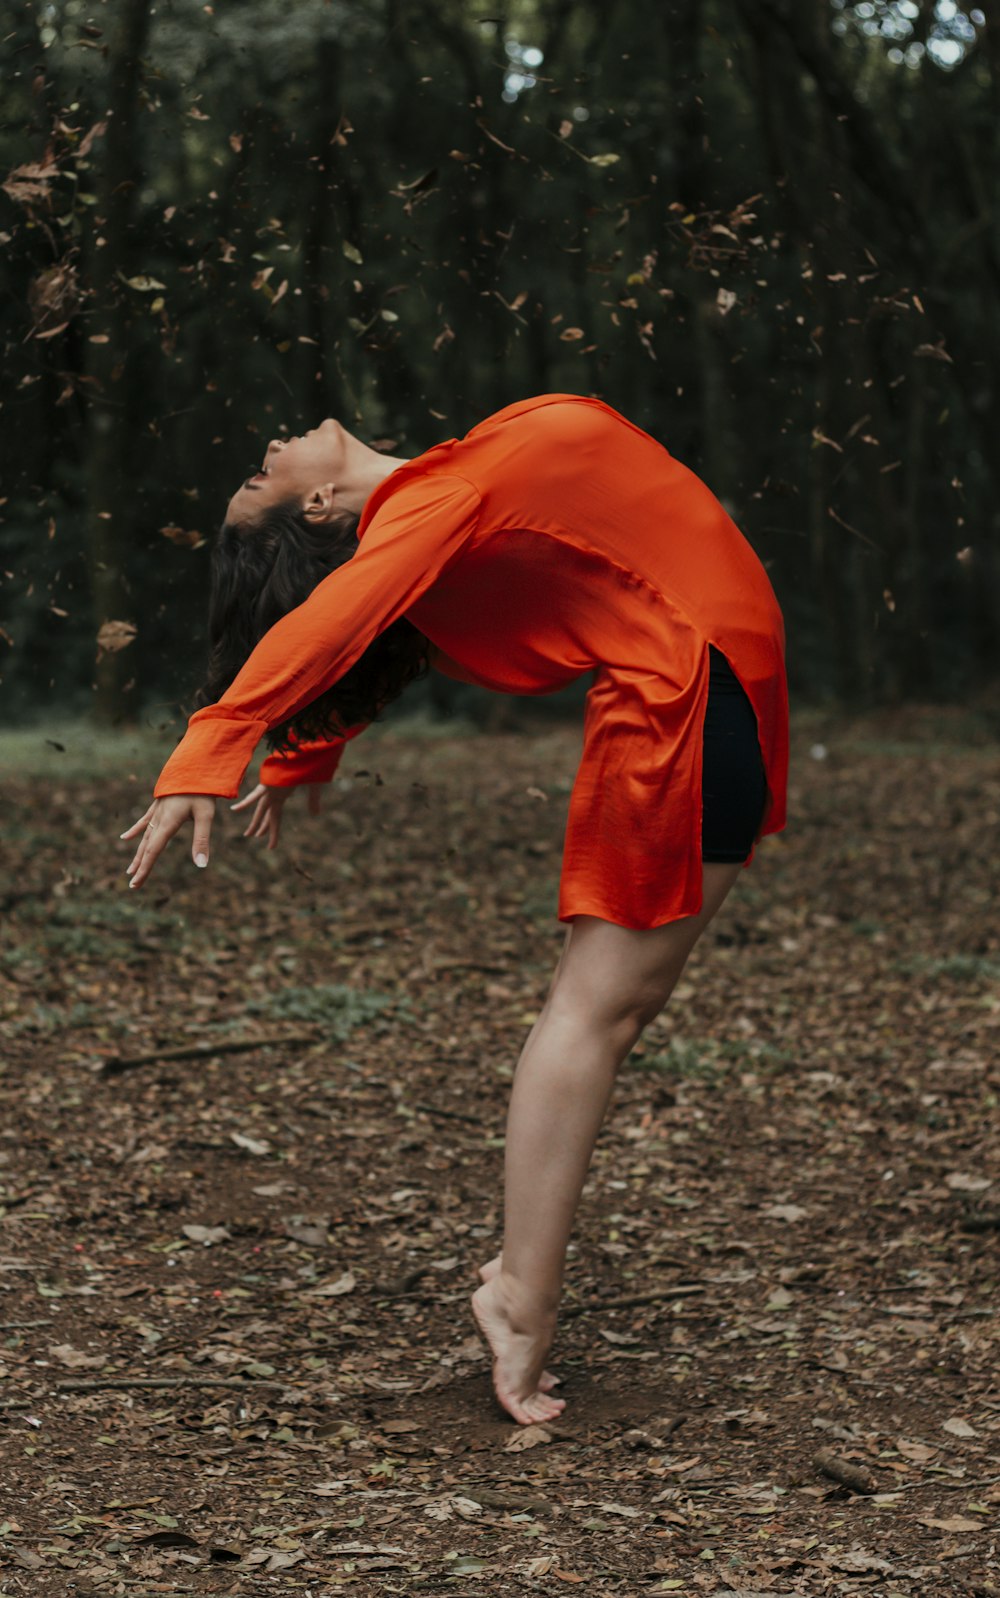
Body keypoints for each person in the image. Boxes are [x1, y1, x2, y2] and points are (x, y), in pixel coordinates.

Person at [121, 394, 788, 1426]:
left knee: (605, 1011)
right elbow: (344, 613)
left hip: (705, 692)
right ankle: (519, 1296)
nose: (264, 447)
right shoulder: (433, 505)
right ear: (324, 507)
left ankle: (521, 1282)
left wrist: (306, 748)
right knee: (595, 1014)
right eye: (261, 480)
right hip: (686, 706)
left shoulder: (442, 490)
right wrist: (216, 744)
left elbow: (384, 616)